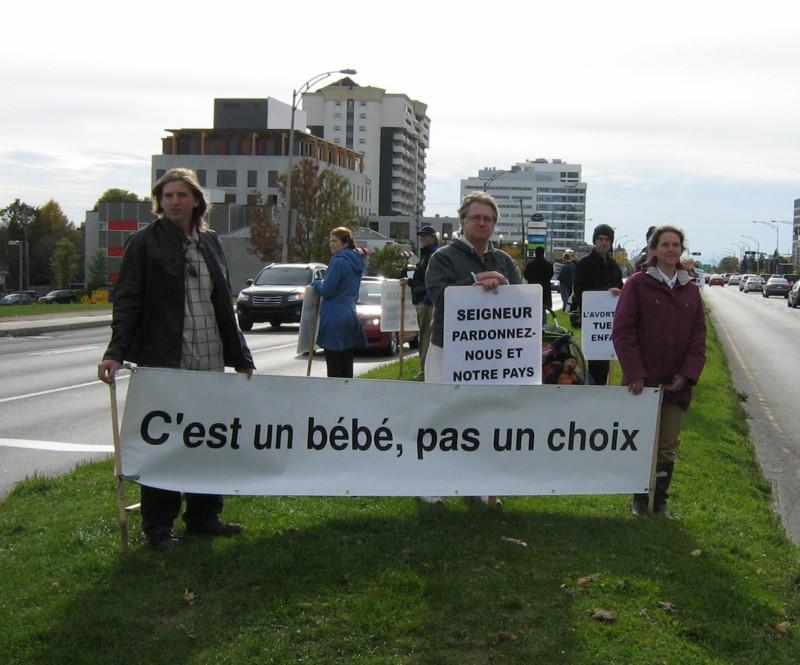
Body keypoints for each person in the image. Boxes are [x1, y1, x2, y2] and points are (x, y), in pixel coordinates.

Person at [97, 168, 255, 551]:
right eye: (167, 196)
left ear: (196, 200)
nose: (173, 202)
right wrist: (115, 352)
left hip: (209, 356)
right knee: (166, 443)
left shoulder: (211, 242)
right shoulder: (144, 243)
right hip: (165, 358)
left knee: (208, 441)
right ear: (159, 201)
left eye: (181, 195)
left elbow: (223, 305)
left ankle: (204, 518)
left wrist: (241, 356)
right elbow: (129, 300)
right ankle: (158, 527)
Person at [422, 191, 523, 506]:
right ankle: (430, 485)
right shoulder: (444, 257)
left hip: (490, 354)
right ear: (463, 221)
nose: (483, 223)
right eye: (476, 218)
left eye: (489, 219)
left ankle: (477, 484)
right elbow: (440, 297)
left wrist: (505, 287)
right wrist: (475, 286)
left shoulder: (504, 260)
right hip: (447, 349)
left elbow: (523, 301)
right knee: (440, 415)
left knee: (483, 417)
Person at [612, 225, 706, 517]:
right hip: (642, 383)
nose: (670, 249)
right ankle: (641, 499)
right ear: (653, 249)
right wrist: (635, 371)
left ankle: (660, 499)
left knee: (667, 446)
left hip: (676, 385)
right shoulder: (638, 284)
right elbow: (623, 332)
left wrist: (687, 374)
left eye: (675, 244)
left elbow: (698, 338)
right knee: (641, 441)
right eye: (664, 244)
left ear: (682, 249)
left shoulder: (690, 289)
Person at [312, 227, 368, 378]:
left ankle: (334, 397)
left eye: (334, 241)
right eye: (330, 240)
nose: (331, 244)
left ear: (345, 243)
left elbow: (328, 291)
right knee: (347, 363)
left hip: (334, 315)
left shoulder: (338, 262)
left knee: (334, 365)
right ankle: (347, 396)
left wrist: (317, 283)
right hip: (349, 313)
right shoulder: (356, 261)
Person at [573, 223, 623, 385]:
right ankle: (594, 393)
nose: (604, 243)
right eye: (600, 239)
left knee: (607, 360)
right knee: (596, 363)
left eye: (607, 240)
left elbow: (620, 289)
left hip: (610, 321)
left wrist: (618, 294)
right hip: (593, 321)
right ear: (595, 240)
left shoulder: (614, 266)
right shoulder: (584, 264)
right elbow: (579, 290)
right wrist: (602, 294)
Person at [407, 225, 439, 380]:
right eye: (421, 235)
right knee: (424, 336)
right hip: (422, 299)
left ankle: (425, 369)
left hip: (427, 302)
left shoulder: (433, 255)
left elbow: (432, 279)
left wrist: (426, 300)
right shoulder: (426, 255)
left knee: (426, 337)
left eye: (425, 235)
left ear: (433, 237)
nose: (422, 238)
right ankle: (424, 368)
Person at [523, 245, 554, 320]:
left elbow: (526, 275)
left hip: (533, 289)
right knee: (543, 308)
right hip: (545, 289)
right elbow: (551, 275)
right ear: (543, 253)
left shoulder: (530, 265)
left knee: (533, 308)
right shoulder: (548, 265)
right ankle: (543, 325)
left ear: (535, 253)